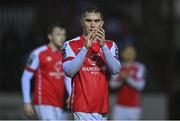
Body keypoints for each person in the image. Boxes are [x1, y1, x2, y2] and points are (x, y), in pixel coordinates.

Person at [62, 7, 121, 120]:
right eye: (88, 21)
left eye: (96, 21)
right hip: (82, 106)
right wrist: (84, 49)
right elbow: (69, 71)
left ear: (102, 23)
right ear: (82, 22)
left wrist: (103, 46)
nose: (93, 25)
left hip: (102, 107)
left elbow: (115, 70)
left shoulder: (110, 45)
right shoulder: (70, 44)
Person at [21, 23, 70, 120]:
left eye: (63, 34)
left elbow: (67, 78)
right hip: (43, 102)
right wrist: (26, 101)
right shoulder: (38, 53)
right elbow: (25, 77)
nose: (62, 37)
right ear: (49, 36)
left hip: (60, 103)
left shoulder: (65, 54)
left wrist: (71, 94)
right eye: (58, 34)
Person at [110, 45, 146, 120]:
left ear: (135, 54)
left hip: (134, 107)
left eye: (131, 52)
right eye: (127, 52)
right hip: (120, 106)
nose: (129, 54)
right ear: (123, 54)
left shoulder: (139, 67)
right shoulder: (118, 66)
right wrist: (121, 80)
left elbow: (140, 86)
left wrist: (127, 78)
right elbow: (112, 85)